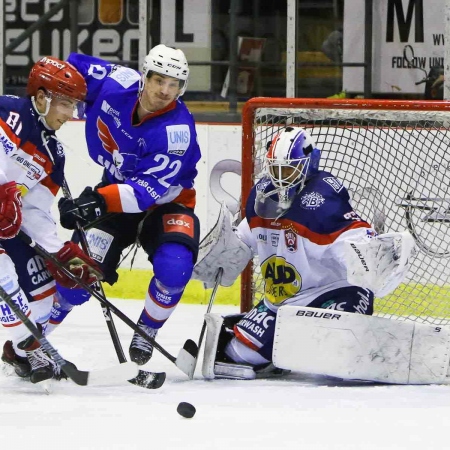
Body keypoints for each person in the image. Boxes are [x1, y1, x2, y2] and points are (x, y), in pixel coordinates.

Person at [195, 127, 412, 380]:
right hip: (282, 300)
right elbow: (245, 236)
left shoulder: (320, 199)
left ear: (310, 163)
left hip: (334, 292)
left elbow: (352, 237)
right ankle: (277, 351)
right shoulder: (261, 194)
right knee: (238, 354)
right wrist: (224, 252)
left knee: (341, 345)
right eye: (275, 168)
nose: (280, 177)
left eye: (288, 169)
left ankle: (360, 347)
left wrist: (373, 258)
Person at [53, 45, 202, 366]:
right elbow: (66, 71)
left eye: (174, 84)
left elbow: (144, 194)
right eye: (159, 80)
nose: (165, 91)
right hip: (115, 194)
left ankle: (146, 331)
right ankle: (34, 337)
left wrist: (94, 203)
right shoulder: (114, 84)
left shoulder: (176, 131)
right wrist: (45, 105)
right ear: (144, 77)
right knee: (75, 277)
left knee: (175, 267)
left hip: (167, 204)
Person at [0, 56, 102, 384]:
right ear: (42, 97)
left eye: (74, 106)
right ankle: (27, 341)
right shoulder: (10, 112)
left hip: (6, 226)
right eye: (66, 104)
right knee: (5, 278)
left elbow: (35, 209)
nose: (70, 114)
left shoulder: (53, 154)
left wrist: (58, 251)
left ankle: (25, 349)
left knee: (44, 290)